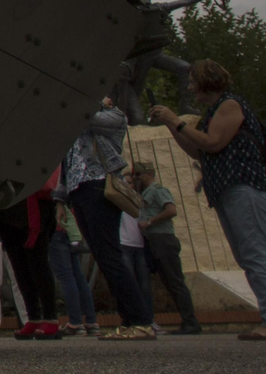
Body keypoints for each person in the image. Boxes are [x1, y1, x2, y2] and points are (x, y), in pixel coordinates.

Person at [150, 59, 266, 341]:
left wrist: (176, 120)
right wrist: (170, 125)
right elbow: (198, 150)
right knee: (248, 257)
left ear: (206, 81)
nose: (190, 88)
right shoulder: (215, 110)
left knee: (256, 254)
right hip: (229, 191)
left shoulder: (229, 105)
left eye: (193, 82)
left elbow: (213, 142)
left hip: (245, 187)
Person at [54, 97, 155, 340]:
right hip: (78, 191)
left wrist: (92, 100)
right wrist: (60, 200)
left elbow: (87, 117)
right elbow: (66, 164)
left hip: (99, 186)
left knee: (110, 256)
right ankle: (129, 321)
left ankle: (141, 321)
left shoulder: (113, 116)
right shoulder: (72, 126)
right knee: (102, 256)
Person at [0, 168, 64, 339]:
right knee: (19, 266)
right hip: (5, 202)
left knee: (38, 263)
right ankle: (34, 317)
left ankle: (50, 318)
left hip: (31, 200)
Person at [133, 161, 202, 334]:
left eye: (139, 174)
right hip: (153, 241)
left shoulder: (158, 190)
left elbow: (171, 210)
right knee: (169, 283)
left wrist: (149, 222)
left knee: (176, 282)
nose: (136, 178)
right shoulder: (144, 194)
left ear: (149, 174)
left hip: (163, 239)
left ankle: (191, 322)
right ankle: (186, 321)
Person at [49, 199, 99, 334]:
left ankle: (76, 322)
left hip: (56, 228)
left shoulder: (53, 189)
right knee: (78, 277)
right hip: (70, 229)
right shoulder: (66, 188)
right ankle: (91, 322)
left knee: (66, 277)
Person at [118, 202, 156, 331]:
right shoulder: (118, 199)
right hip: (123, 242)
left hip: (140, 244)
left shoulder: (140, 200)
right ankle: (132, 319)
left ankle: (149, 319)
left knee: (144, 285)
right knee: (129, 282)